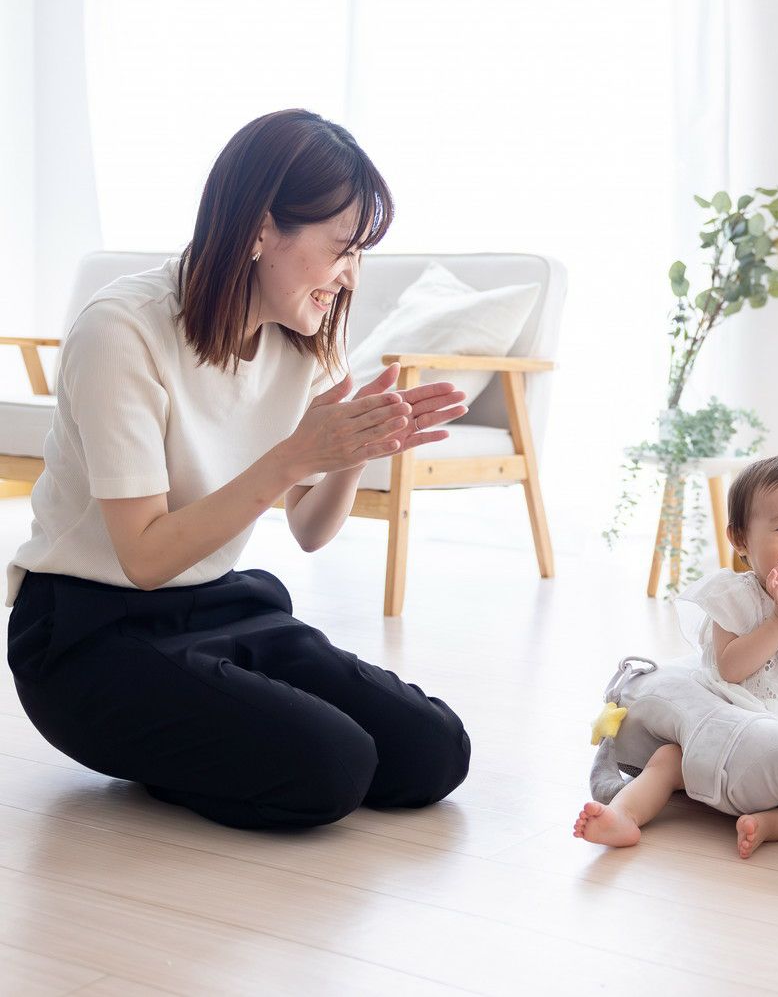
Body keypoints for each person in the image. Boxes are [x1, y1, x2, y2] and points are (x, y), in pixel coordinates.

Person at [6, 109, 472, 829]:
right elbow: (145, 557)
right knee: (335, 768)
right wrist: (296, 454)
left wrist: (353, 453)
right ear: (261, 229)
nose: (349, 279)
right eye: (342, 250)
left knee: (435, 752)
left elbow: (311, 530)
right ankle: (182, 745)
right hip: (89, 637)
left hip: (219, 607)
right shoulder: (122, 330)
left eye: (359, 256)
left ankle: (215, 726)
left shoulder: (301, 342)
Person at [573, 454, 778, 856]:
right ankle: (624, 815)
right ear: (741, 539)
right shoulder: (734, 597)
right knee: (669, 758)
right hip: (738, 722)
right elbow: (731, 668)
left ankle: (773, 825)